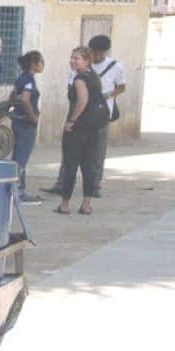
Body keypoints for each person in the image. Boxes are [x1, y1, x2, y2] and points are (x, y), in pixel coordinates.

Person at [55, 46, 108, 216]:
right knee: (88, 166)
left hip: (78, 128)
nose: (73, 61)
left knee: (70, 165)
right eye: (72, 58)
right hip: (93, 128)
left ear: (86, 60)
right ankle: (86, 204)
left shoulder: (79, 79)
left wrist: (71, 121)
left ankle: (65, 204)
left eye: (77, 58)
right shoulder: (93, 76)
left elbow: (82, 101)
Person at [86, 34, 126, 197]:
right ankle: (63, 182)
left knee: (98, 151)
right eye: (96, 53)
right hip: (84, 112)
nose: (99, 56)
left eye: (102, 53)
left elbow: (122, 87)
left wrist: (109, 94)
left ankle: (95, 184)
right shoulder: (84, 64)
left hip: (103, 114)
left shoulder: (116, 66)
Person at [9, 51, 45, 204]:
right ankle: (18, 192)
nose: (43, 65)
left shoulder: (20, 78)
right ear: (34, 64)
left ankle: (17, 189)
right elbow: (25, 99)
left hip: (17, 121)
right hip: (26, 124)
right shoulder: (29, 80)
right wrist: (32, 116)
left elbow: (12, 97)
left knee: (17, 157)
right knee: (21, 159)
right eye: (41, 62)